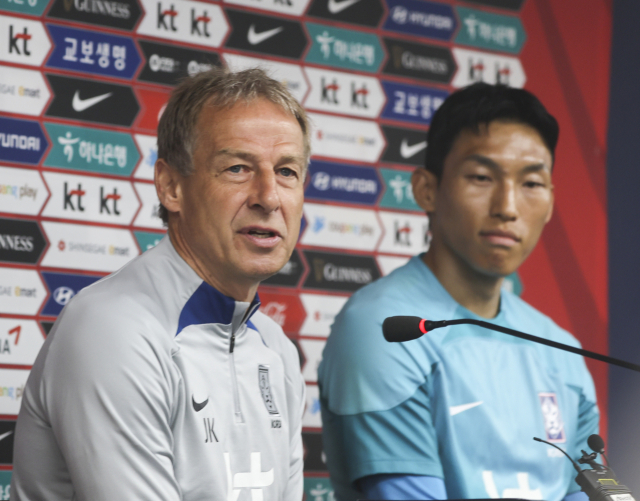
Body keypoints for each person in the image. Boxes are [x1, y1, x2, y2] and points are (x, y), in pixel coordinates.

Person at [12, 68, 309, 501]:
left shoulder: (276, 347)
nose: (268, 196)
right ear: (171, 187)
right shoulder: (114, 329)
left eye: (287, 171)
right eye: (238, 168)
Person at [318, 83, 599, 501]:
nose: (507, 206)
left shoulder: (562, 351)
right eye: (482, 177)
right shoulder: (385, 329)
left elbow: (596, 488)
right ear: (426, 190)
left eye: (532, 183)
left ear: (552, 201)